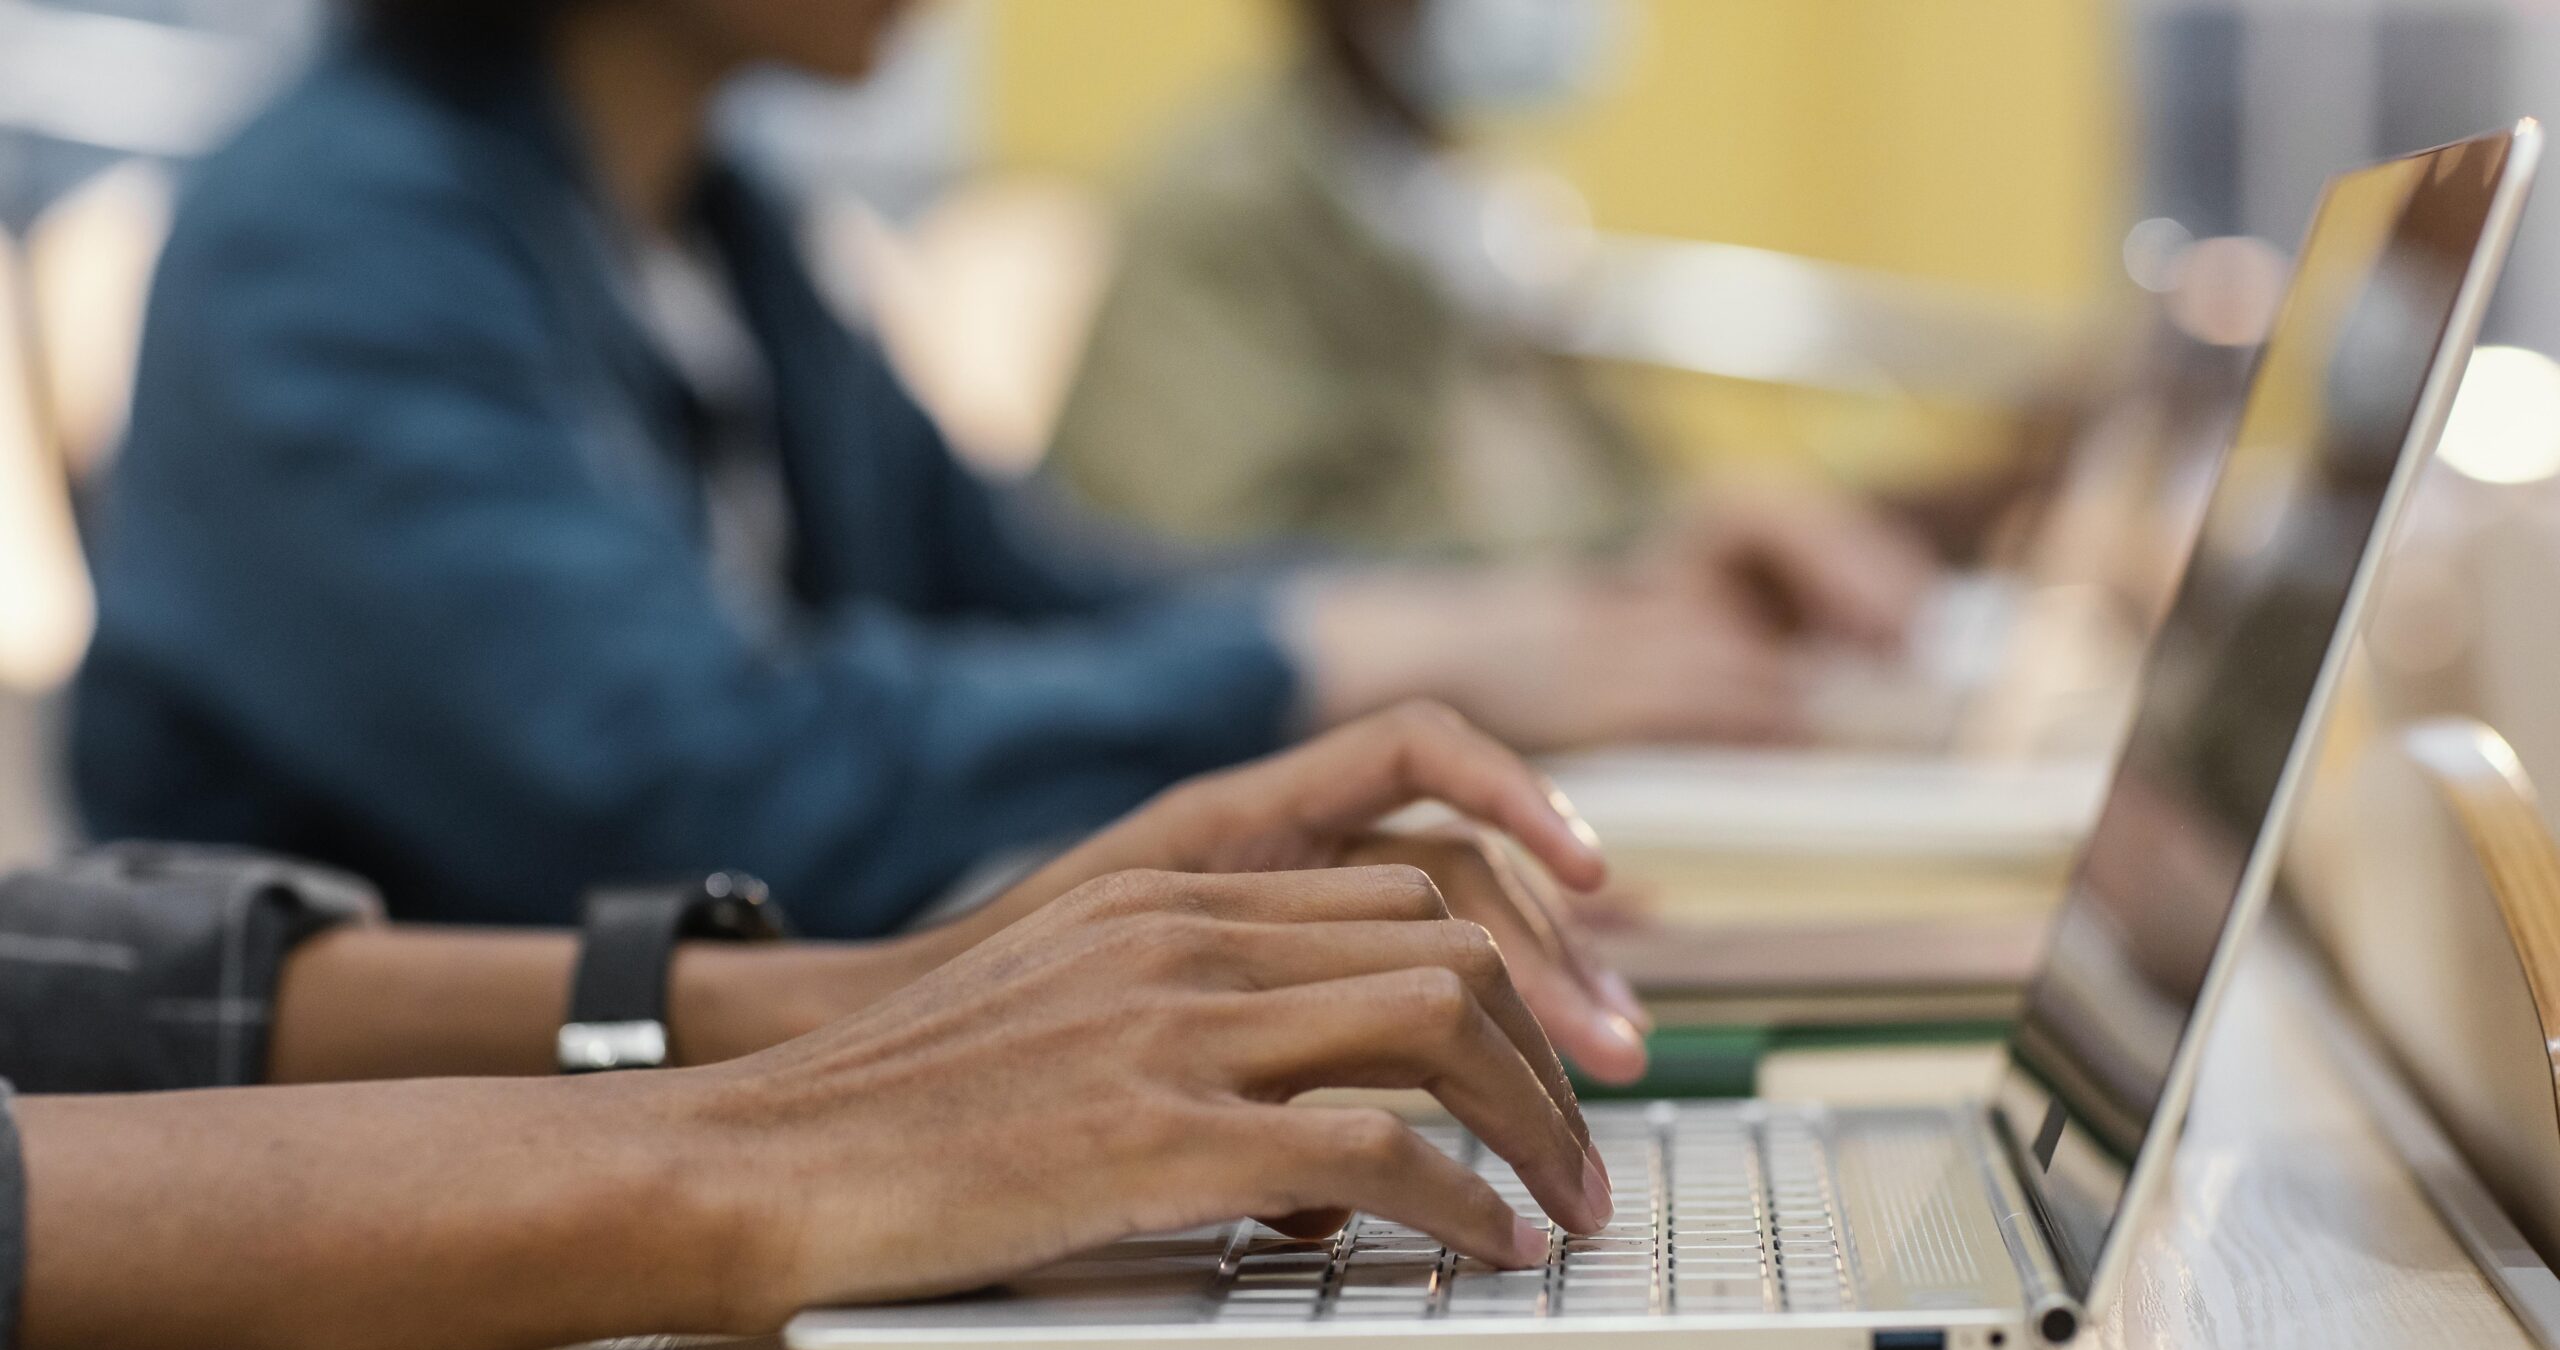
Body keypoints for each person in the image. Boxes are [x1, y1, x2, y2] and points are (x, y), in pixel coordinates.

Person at [74, 0, 1933, 943]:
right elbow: (702, 784)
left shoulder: (720, 229)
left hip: (644, 1162)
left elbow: (1026, 583)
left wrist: (1493, 624)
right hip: (329, 1325)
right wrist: (1341, 650)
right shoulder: (323, 249)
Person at [4, 704, 1636, 1350]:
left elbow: (59, 984)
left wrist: (867, 1004)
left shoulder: (741, 236)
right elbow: (722, 758)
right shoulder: (328, 243)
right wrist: (753, 1153)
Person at [1051, 0, 1664, 563]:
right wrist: (1555, 588)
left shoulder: (1472, 207)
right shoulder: (1229, 213)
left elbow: (1615, 493)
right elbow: (1204, 557)